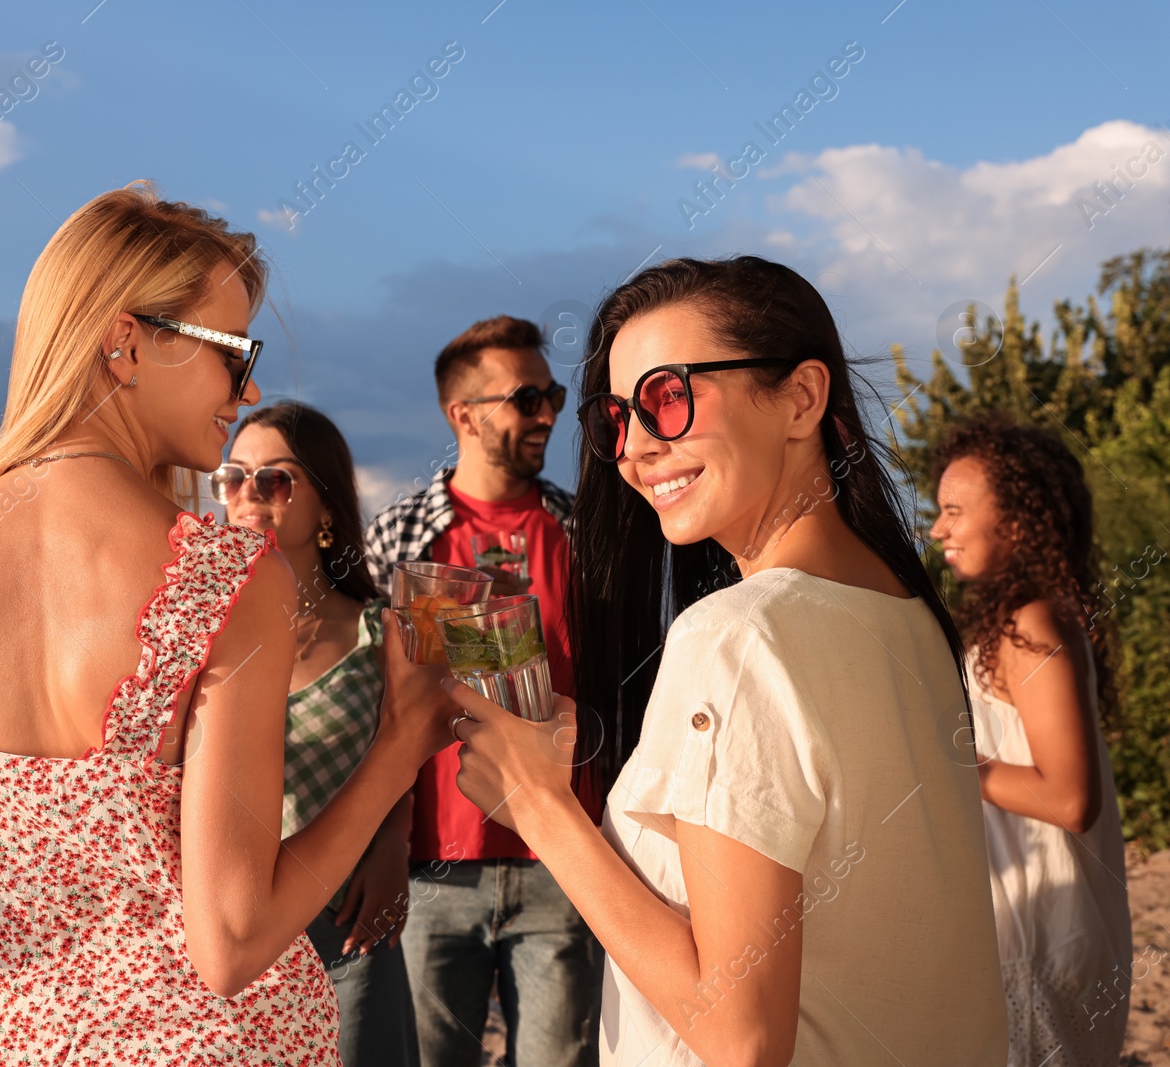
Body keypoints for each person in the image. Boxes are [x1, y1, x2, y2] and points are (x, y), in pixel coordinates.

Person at [0, 183, 455, 1064]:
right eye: (234, 352)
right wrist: (401, 747)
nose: (252, 384)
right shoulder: (224, 577)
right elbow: (231, 944)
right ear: (126, 342)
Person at [445, 256, 1008, 1064]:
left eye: (668, 397)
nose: (634, 449)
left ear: (801, 397)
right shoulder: (909, 615)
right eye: (615, 417)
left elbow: (742, 1037)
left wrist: (539, 804)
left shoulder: (738, 634)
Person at [364, 315, 601, 1067]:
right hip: (437, 863)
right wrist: (381, 841)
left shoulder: (584, 529)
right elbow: (377, 702)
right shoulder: (403, 536)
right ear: (461, 415)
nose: (548, 415)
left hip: (562, 854)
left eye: (553, 395)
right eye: (527, 398)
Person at [219, 400, 419, 1066]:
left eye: (273, 479)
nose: (248, 496)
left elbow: (408, 743)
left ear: (327, 504)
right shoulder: (197, 634)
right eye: (233, 478)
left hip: (344, 934)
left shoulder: (381, 632)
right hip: (227, 942)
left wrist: (395, 840)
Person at [930, 414, 1132, 1065]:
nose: (938, 530)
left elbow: (1071, 796)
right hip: (1024, 929)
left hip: (1043, 937)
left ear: (1016, 519)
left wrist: (951, 763)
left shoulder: (1031, 620)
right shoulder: (1013, 620)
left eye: (955, 511)